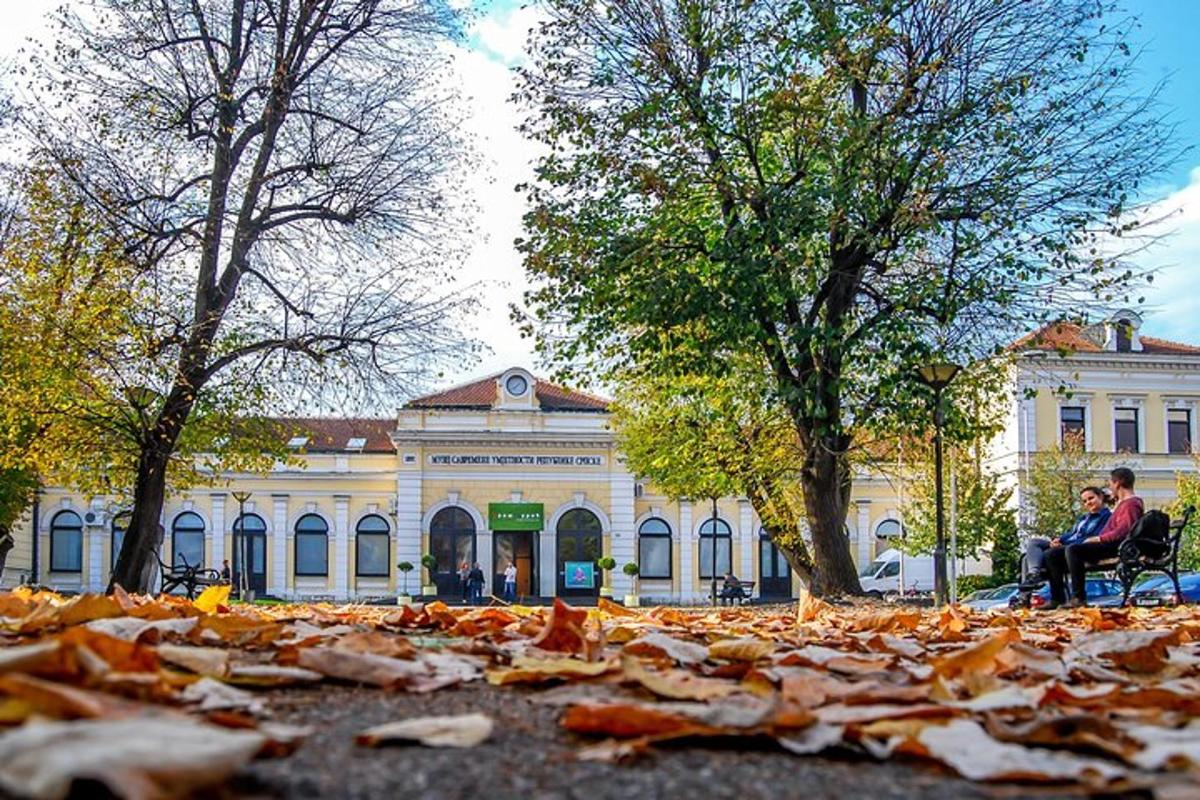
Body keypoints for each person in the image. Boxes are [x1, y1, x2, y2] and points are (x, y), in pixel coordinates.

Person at [1045, 467, 1143, 608]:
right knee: (1051, 554)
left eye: (1110, 483)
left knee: (1073, 550)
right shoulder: (1122, 504)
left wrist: (1098, 539)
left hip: (1117, 546)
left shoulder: (1131, 504)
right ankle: (1057, 598)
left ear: (1118, 483)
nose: (1109, 487)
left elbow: (1123, 531)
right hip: (1111, 544)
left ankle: (1079, 598)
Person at [1020, 486, 1111, 590]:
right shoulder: (1084, 518)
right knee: (1034, 544)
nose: (1088, 503)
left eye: (1091, 498)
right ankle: (1033, 576)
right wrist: (1059, 539)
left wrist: (1064, 544)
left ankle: (1033, 586)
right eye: (1085, 501)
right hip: (1066, 544)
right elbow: (1072, 533)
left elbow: (1093, 536)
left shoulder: (1106, 517)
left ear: (1100, 497)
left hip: (1078, 548)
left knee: (1033, 558)